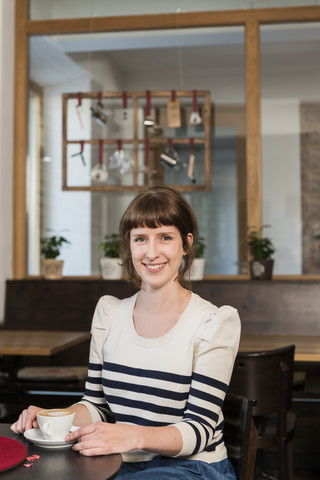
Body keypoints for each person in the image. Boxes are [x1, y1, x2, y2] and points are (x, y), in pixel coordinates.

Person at [11, 185, 241, 480]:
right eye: (141, 239)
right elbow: (96, 406)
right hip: (119, 463)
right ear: (129, 245)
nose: (151, 252)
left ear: (186, 244)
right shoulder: (109, 314)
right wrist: (51, 418)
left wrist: (131, 436)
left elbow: (198, 430)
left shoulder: (214, 323)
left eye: (165, 238)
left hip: (194, 468)